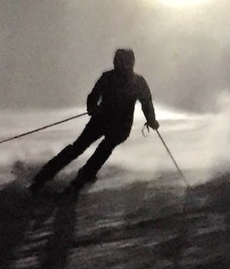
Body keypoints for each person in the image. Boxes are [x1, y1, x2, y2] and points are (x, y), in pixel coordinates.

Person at [30, 48, 159, 194]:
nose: (123, 65)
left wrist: (151, 119)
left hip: (117, 125)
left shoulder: (132, 81)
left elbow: (146, 103)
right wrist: (92, 107)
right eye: (120, 61)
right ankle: (46, 177)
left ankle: (78, 179)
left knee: (99, 150)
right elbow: (94, 95)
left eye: (125, 61)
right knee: (80, 148)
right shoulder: (117, 79)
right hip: (104, 120)